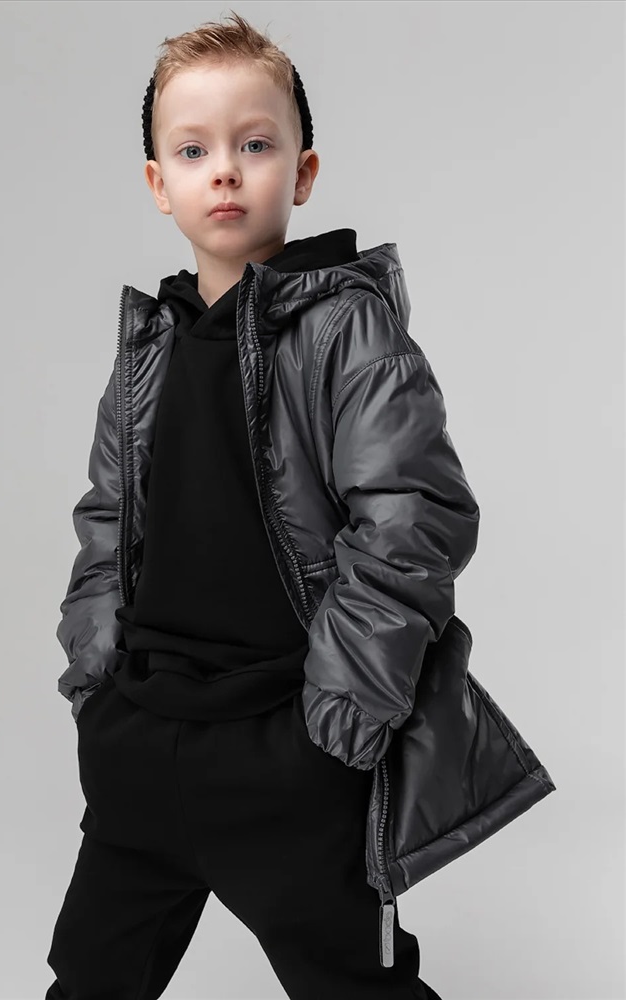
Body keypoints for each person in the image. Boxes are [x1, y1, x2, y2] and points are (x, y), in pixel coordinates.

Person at [44, 11, 555, 1000]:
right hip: (142, 740)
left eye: (255, 144)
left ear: (303, 172)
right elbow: (107, 522)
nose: (225, 172)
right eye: (194, 150)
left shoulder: (346, 329)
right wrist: (95, 690)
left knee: (355, 985)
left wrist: (339, 723)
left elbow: (413, 519)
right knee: (89, 981)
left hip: (287, 748)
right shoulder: (148, 350)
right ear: (159, 184)